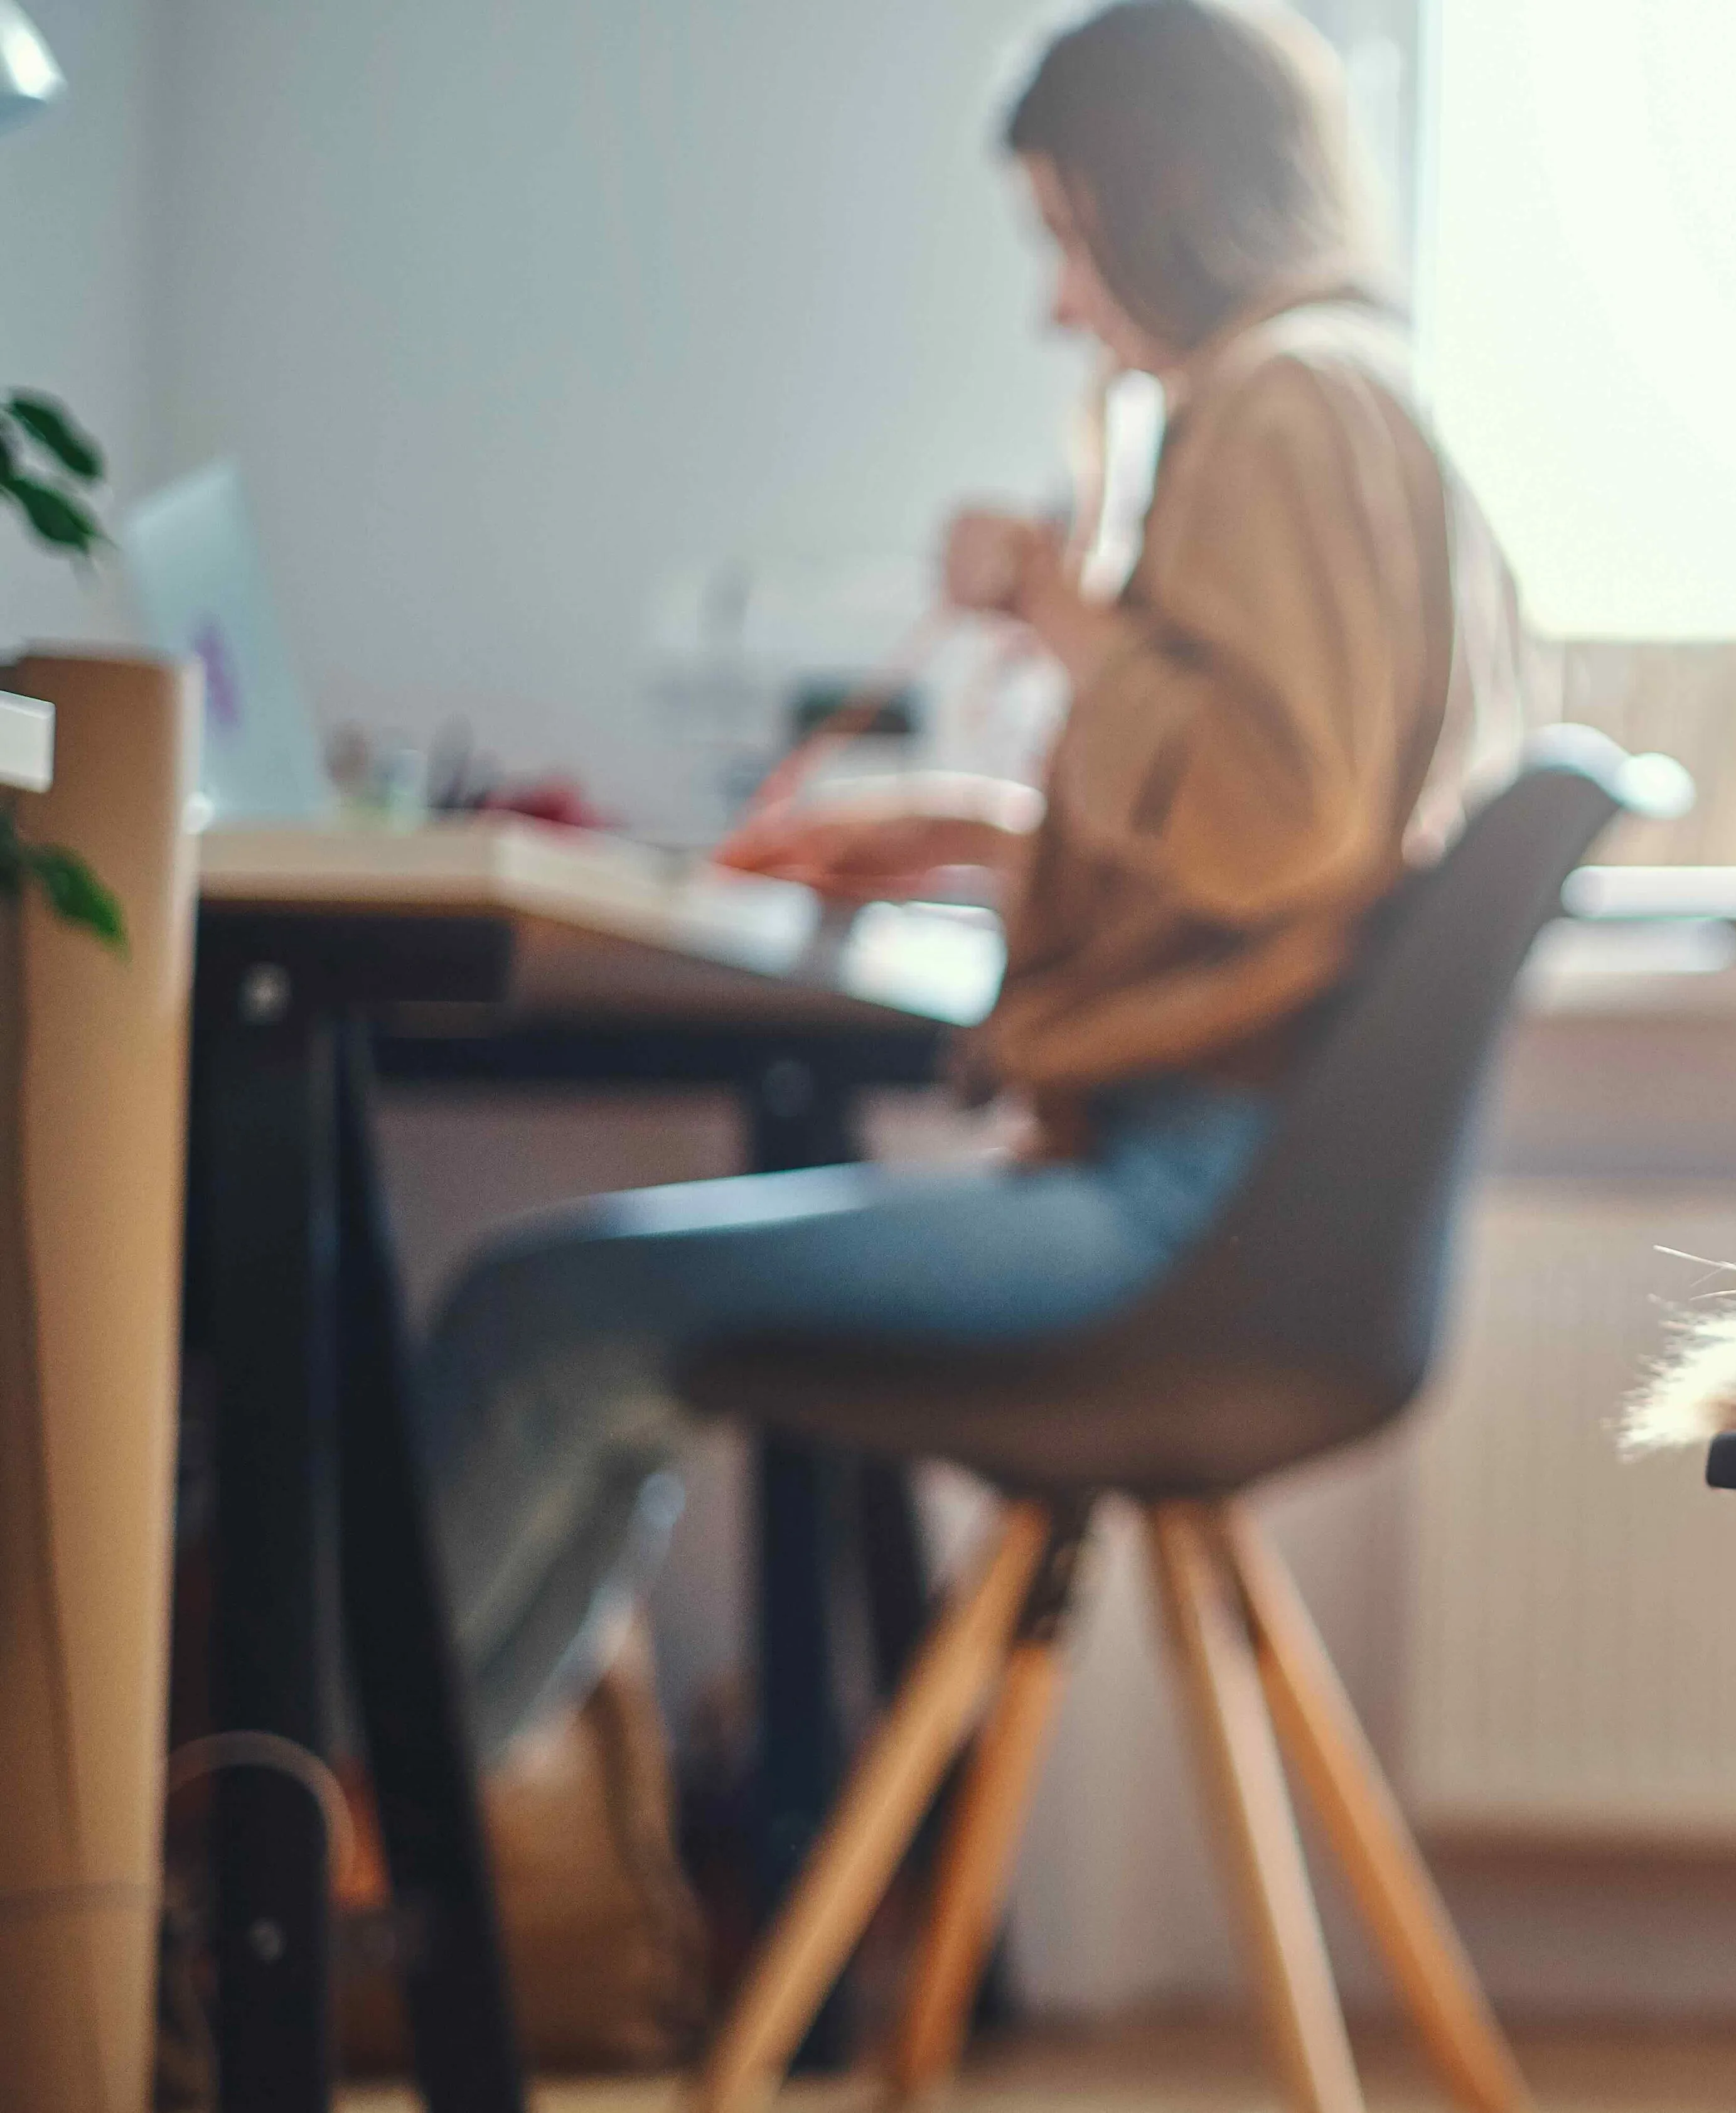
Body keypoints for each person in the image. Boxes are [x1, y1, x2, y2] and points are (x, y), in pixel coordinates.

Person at [422, 0, 1540, 1755]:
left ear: (1166, 194)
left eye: (1067, 237)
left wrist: (1052, 604)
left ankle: (275, 1823)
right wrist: (977, 830)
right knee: (591, 1332)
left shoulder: (1289, 404)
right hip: (1248, 1201)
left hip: (1183, 1215)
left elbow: (1282, 823)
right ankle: (365, 1822)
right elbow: (1302, 856)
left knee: (541, 1307)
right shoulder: (1355, 398)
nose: (1059, 306)